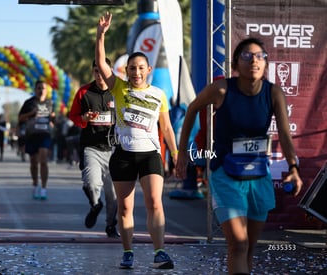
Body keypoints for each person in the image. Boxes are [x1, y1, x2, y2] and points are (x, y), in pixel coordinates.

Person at [176, 37, 303, 275]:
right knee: (238, 243)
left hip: (258, 176)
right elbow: (192, 108)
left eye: (259, 56)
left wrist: (294, 167)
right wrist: (183, 152)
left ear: (265, 64)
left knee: (249, 247)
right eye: (247, 56)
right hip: (226, 175)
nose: (254, 60)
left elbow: (285, 135)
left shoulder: (273, 92)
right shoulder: (222, 89)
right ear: (236, 63)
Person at [95, 12, 178, 269]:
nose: (137, 72)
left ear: (148, 70)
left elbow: (166, 127)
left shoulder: (158, 94)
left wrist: (176, 154)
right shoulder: (118, 88)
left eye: (141, 68)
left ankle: (159, 252)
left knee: (155, 202)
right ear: (126, 71)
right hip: (124, 155)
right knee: (125, 209)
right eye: (132, 68)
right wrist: (101, 34)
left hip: (150, 155)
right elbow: (100, 63)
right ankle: (128, 252)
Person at [69, 58, 119, 238]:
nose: (99, 75)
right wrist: (84, 118)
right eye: (96, 71)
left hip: (114, 150)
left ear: (110, 70)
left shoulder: (118, 91)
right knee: (92, 183)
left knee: (113, 194)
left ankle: (111, 225)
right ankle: (95, 205)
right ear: (92, 72)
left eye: (102, 71)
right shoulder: (84, 92)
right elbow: (73, 115)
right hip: (91, 148)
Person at [18, 80, 54, 200]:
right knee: (33, 163)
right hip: (32, 135)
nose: (41, 90)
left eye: (43, 88)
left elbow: (52, 118)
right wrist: (31, 113)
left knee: (43, 160)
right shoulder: (29, 103)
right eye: (39, 88)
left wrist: (53, 120)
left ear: (46, 90)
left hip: (44, 135)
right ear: (35, 90)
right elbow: (20, 118)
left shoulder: (50, 103)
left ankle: (44, 188)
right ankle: (35, 184)